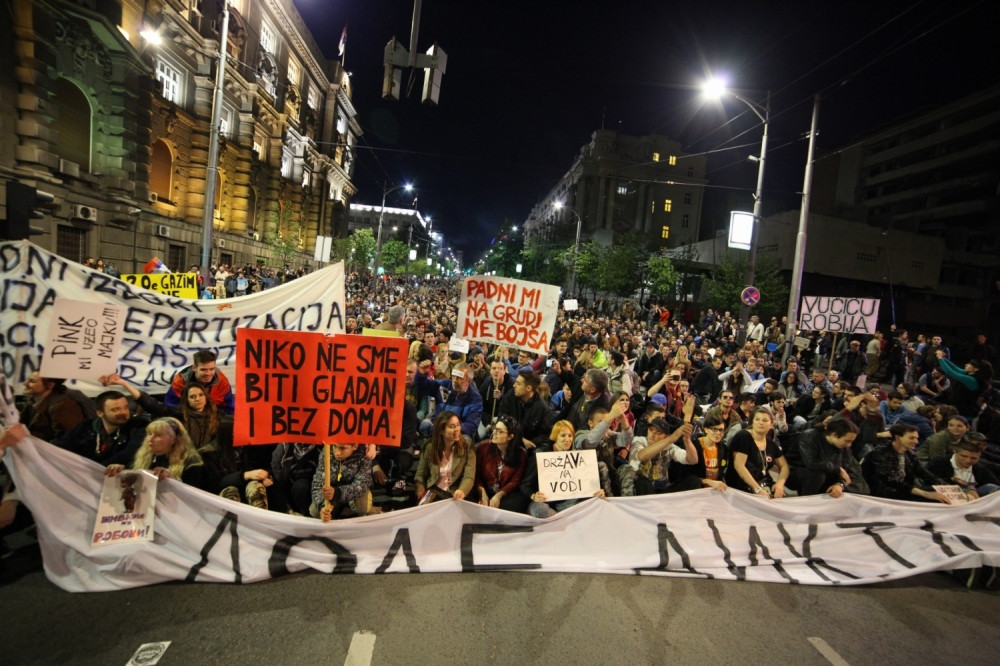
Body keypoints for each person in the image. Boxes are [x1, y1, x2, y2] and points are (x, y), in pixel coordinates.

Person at [526, 421, 606, 517]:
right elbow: (525, 485)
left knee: (597, 501)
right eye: (563, 435)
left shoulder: (578, 456)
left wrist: (597, 492)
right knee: (538, 508)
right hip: (549, 505)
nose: (567, 439)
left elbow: (586, 484)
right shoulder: (541, 454)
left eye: (570, 436)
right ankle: (567, 520)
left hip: (573, 503)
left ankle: (564, 520)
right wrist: (534, 496)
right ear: (555, 436)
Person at [105, 417, 205, 488]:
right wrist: (119, 471)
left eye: (158, 435)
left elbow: (194, 497)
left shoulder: (192, 462)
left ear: (174, 439)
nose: (150, 439)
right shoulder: (143, 455)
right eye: (149, 434)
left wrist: (173, 481)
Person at [56, 391, 149, 467]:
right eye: (115, 409)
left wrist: (96, 469)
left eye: (126, 407)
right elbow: (61, 446)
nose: (123, 412)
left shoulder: (139, 426)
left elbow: (128, 454)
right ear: (100, 413)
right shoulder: (86, 426)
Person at [862, 423, 949, 503]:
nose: (916, 442)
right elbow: (891, 481)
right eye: (911, 438)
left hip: (903, 490)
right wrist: (925, 494)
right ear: (897, 437)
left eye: (916, 438)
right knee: (933, 499)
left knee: (941, 495)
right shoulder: (880, 453)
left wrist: (945, 487)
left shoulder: (909, 454)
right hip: (882, 494)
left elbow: (923, 473)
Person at [787, 418, 869, 497]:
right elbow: (812, 463)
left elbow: (846, 470)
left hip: (825, 474)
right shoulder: (809, 437)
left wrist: (840, 484)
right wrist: (837, 469)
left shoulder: (844, 448)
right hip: (796, 472)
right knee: (818, 475)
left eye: (851, 441)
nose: (849, 445)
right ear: (834, 435)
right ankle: (806, 502)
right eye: (847, 441)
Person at [726, 407, 790, 497]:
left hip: (765, 484)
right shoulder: (743, 436)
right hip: (743, 487)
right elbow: (739, 466)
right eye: (757, 419)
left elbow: (784, 466)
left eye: (765, 420)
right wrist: (757, 489)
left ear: (771, 424)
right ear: (752, 422)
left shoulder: (770, 443)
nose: (760, 423)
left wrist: (780, 484)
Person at [415, 412, 476, 502]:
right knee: (422, 509)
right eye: (452, 427)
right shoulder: (430, 446)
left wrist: (462, 490)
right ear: (441, 431)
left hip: (455, 493)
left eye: (458, 425)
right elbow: (420, 474)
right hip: (434, 490)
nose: (457, 429)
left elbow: (469, 476)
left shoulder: (467, 445)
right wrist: (420, 490)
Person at [19, 373, 95, 442]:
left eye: (32, 381)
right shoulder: (32, 402)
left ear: (50, 385)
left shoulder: (63, 406)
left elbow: (66, 440)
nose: (25, 383)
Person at [474, 415, 528, 512]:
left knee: (518, 503)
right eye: (495, 429)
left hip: (505, 494)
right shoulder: (483, 447)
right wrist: (482, 492)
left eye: (499, 431)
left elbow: (515, 481)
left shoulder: (521, 454)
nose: (494, 433)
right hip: (483, 489)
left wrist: (499, 495)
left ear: (510, 436)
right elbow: (476, 475)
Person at [310, 443, 373, 521]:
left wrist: (338, 493)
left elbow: (362, 484)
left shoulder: (365, 455)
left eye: (343, 448)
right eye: (334, 446)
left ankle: (361, 511)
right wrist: (323, 506)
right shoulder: (326, 452)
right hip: (332, 490)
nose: (337, 452)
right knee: (315, 512)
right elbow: (318, 483)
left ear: (355, 446)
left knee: (362, 507)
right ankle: (336, 510)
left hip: (349, 490)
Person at [165, 350, 235, 415]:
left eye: (211, 369)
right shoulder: (180, 381)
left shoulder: (222, 381)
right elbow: (172, 406)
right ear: (194, 367)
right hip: (187, 415)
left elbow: (229, 406)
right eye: (203, 370)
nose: (208, 373)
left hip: (214, 414)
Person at [926, 439, 1000, 499]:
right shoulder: (939, 462)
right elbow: (930, 481)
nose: (968, 461)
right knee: (970, 492)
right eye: (964, 456)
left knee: (994, 488)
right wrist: (951, 480)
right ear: (955, 452)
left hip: (976, 492)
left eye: (973, 458)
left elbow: (993, 481)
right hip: (948, 492)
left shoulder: (979, 467)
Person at [498, 369, 552, 449]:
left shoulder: (542, 408)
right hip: (508, 439)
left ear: (528, 388)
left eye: (518, 383)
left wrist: (531, 443)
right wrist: (520, 439)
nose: (514, 385)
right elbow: (502, 417)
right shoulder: (510, 395)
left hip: (528, 447)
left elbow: (544, 435)